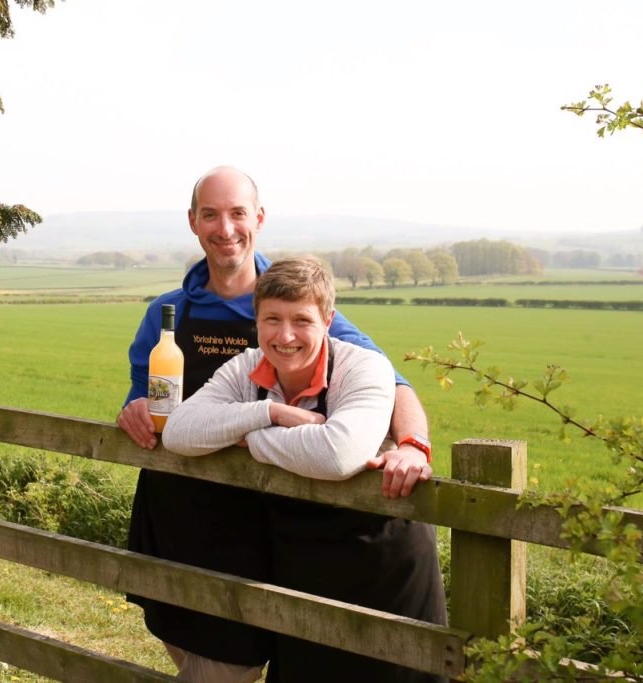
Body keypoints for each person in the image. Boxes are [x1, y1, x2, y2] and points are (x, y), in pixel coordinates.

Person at [117, 166, 435, 681]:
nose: (226, 229)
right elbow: (150, 398)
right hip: (178, 506)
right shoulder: (168, 313)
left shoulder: (292, 300)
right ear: (193, 223)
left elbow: (391, 381)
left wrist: (413, 444)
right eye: (211, 215)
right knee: (188, 639)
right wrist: (133, 409)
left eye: (238, 214)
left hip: (262, 521)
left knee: (235, 658)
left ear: (258, 219)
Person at [163, 256, 446, 682]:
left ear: (328, 320)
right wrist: (271, 412)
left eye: (302, 320)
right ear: (256, 322)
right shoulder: (246, 368)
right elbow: (179, 432)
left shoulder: (364, 367)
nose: (286, 335)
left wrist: (247, 438)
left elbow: (338, 454)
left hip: (381, 563)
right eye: (272, 319)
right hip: (303, 560)